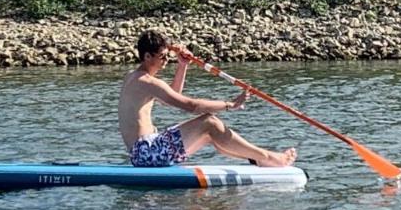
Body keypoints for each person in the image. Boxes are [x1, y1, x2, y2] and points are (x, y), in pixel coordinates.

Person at [118, 30, 297, 168]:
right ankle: (270, 157)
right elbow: (191, 105)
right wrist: (230, 105)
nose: (166, 61)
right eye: (162, 56)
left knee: (209, 135)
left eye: (167, 56)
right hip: (146, 153)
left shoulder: (134, 77)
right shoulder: (146, 81)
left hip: (145, 151)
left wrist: (182, 66)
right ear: (147, 56)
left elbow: (170, 98)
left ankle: (259, 159)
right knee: (209, 122)